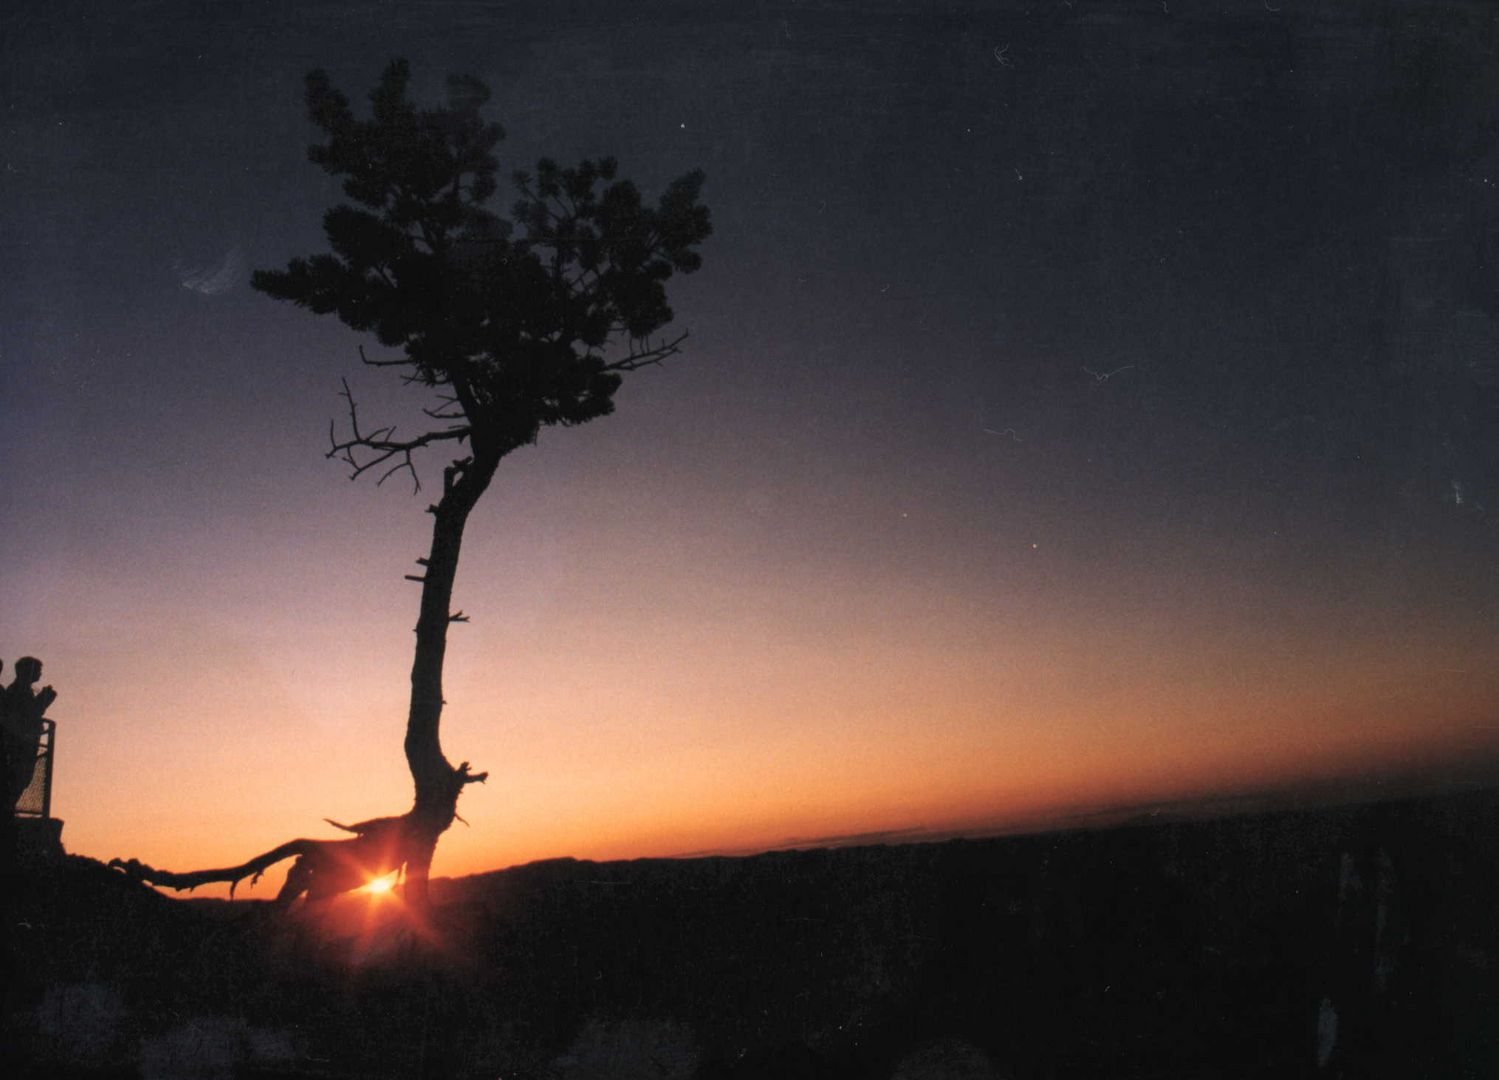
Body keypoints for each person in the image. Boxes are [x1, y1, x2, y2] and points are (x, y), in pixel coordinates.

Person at [2, 657, 57, 813]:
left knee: (21, 780)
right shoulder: (18, 690)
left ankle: (7, 810)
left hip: (25, 746)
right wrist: (44, 700)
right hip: (20, 748)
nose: (39, 673)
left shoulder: (21, 690)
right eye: (37, 670)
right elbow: (26, 716)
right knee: (17, 780)